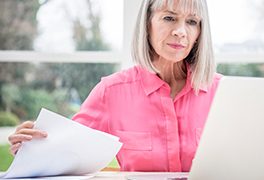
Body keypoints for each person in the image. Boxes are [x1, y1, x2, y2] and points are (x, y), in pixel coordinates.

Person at [8, 0, 222, 172]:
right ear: (147, 24)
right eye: (169, 18)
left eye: (192, 21)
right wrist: (30, 145)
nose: (181, 31)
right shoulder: (111, 91)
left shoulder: (223, 93)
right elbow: (66, 151)